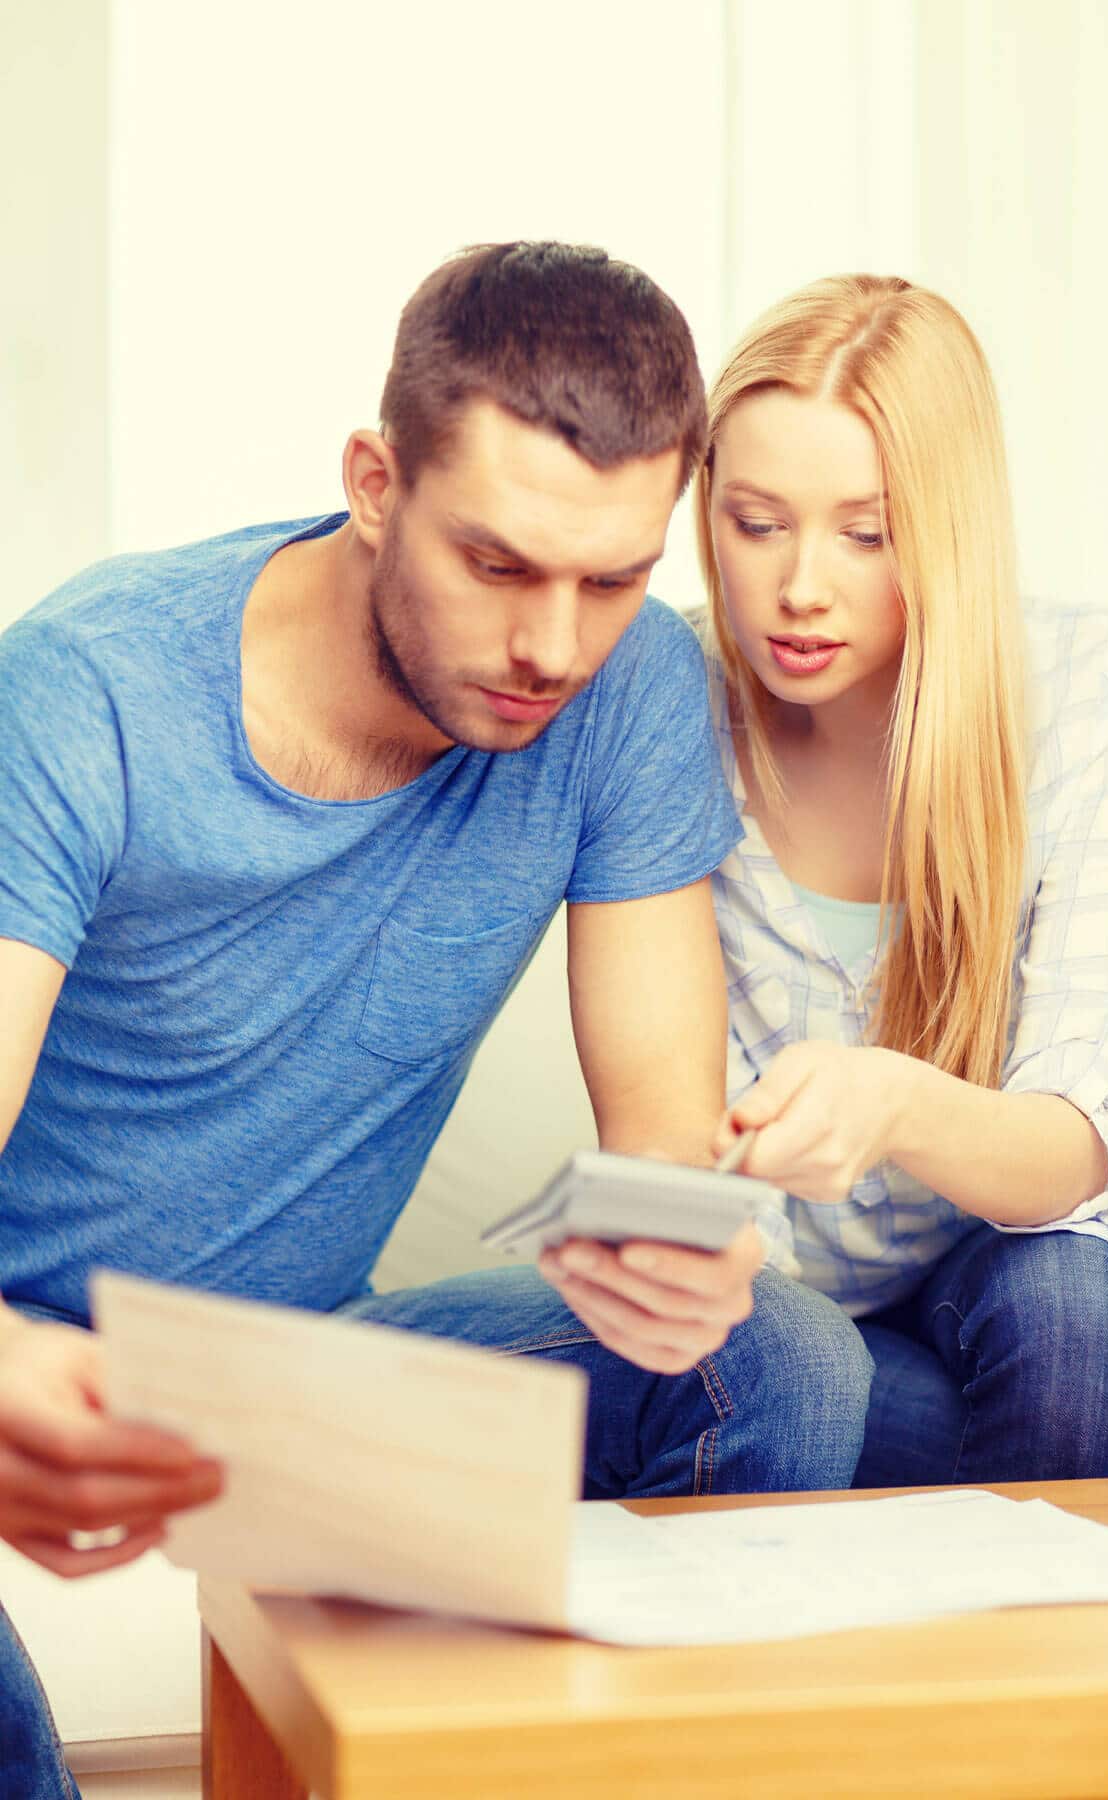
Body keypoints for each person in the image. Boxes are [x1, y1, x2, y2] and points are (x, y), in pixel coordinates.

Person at [0, 242, 872, 1795]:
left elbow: (664, 1144)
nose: (555, 647)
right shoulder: (86, 694)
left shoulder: (630, 690)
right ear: (375, 483)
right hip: (27, 1356)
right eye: (499, 566)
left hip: (291, 1369)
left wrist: (676, 1243)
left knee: (787, 1361)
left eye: (613, 579)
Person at [692, 272, 1108, 1484]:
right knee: (803, 1382)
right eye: (757, 523)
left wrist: (897, 1103)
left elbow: (1073, 1157)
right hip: (800, 1311)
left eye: (867, 534)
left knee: (1069, 1314)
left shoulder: (1094, 691)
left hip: (1031, 1266)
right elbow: (681, 1169)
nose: (801, 585)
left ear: (949, 523)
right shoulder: (669, 705)